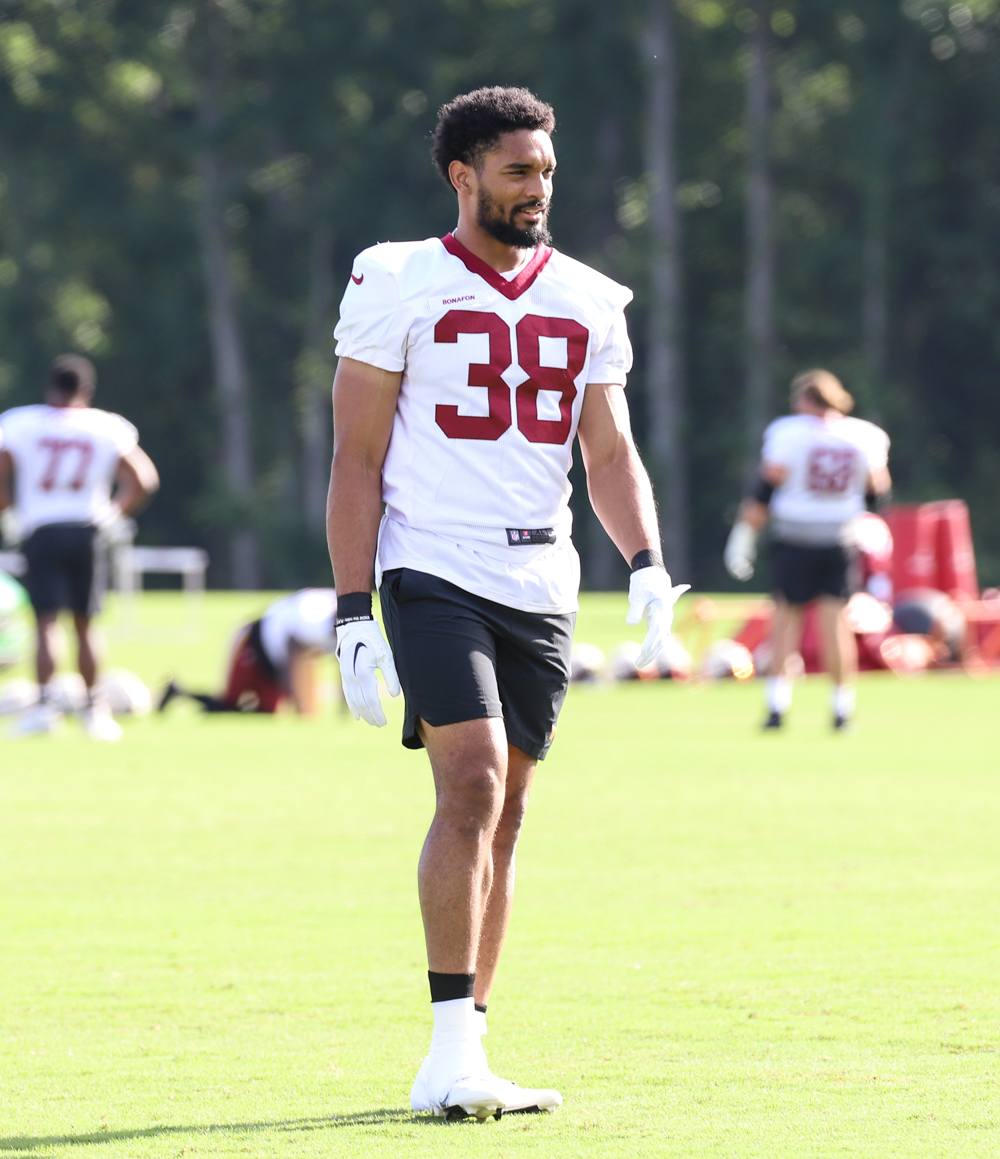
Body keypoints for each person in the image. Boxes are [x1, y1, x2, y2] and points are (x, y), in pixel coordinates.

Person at [327, 86, 688, 1121]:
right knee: (474, 781)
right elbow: (355, 456)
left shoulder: (588, 295)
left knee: (511, 809)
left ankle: (468, 1049)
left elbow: (607, 448)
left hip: (542, 574)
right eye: (518, 170)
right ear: (463, 176)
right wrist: (354, 608)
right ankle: (441, 1048)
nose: (538, 189)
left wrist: (648, 559)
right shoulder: (397, 277)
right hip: (430, 561)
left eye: (546, 171)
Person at [0, 354, 159, 740]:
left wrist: (10, 514)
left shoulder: (21, 422)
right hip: (87, 528)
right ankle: (93, 710)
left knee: (46, 622)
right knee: (86, 624)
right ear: (85, 390)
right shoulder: (104, 426)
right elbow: (143, 478)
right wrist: (111, 515)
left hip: (40, 527)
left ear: (50, 386)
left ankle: (43, 708)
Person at [724, 369, 891, 730]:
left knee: (786, 620)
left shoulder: (789, 433)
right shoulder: (865, 435)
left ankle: (776, 707)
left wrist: (744, 536)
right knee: (836, 623)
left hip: (795, 537)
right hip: (840, 537)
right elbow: (878, 489)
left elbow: (766, 486)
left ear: (805, 400)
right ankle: (841, 709)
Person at [158, 588, 338, 715]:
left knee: (267, 712)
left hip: (274, 662)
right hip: (252, 644)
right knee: (230, 702)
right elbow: (295, 655)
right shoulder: (314, 623)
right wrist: (299, 702)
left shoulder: (336, 620)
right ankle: (178, 691)